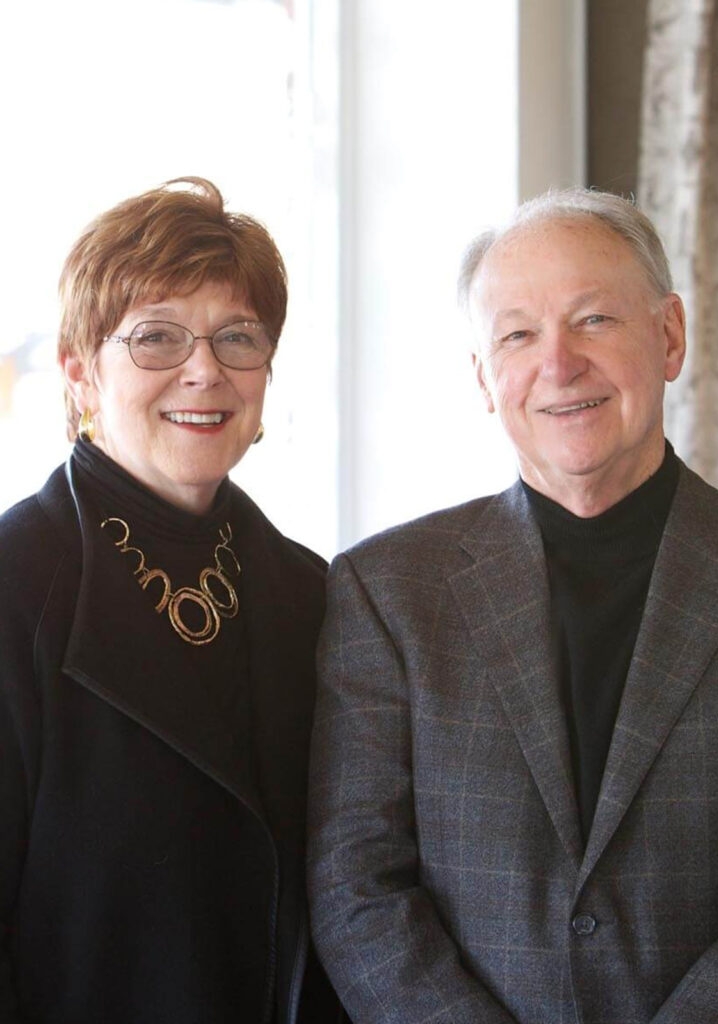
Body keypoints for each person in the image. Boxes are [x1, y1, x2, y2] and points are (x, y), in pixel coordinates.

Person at [308, 188, 718, 1023]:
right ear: (484, 377)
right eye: (517, 334)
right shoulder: (386, 591)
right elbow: (355, 886)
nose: (557, 364)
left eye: (592, 320)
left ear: (669, 336)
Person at [0, 178, 340, 1023]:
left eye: (237, 337)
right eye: (155, 338)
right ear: (81, 370)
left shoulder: (312, 593)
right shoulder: (12, 585)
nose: (204, 371)